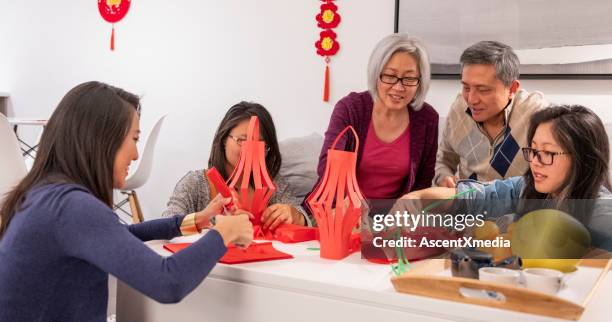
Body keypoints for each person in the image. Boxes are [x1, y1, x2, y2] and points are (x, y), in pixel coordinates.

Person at [0, 81, 253, 322]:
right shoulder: (73, 207)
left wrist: (192, 221)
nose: (135, 154)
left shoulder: (47, 194)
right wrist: (224, 233)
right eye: (134, 139)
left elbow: (120, 235)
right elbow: (167, 282)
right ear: (101, 139)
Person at [405, 105, 612, 251]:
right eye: (533, 150)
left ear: (583, 159)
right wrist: (419, 200)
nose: (535, 162)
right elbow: (473, 197)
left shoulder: (603, 212)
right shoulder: (526, 188)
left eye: (547, 153)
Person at [309, 33, 439, 204]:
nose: (399, 87)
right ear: (376, 74)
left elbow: (422, 183)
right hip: (341, 208)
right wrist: (352, 206)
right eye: (390, 76)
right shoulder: (351, 108)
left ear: (420, 81)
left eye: (409, 78)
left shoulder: (427, 118)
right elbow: (328, 169)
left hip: (393, 220)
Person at [163, 101, 309, 230]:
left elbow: (304, 219)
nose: (250, 150)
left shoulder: (273, 184)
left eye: (260, 144)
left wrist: (297, 216)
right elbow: (166, 225)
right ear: (224, 139)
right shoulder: (195, 184)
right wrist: (205, 220)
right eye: (242, 140)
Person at [434, 41, 549, 188]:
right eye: (466, 87)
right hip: (468, 204)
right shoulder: (459, 108)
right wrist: (444, 177)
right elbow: (443, 160)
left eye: (483, 90)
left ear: (512, 88)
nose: (471, 100)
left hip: (519, 207)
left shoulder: (536, 113)